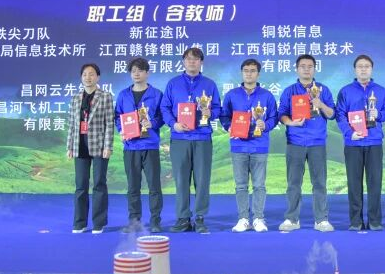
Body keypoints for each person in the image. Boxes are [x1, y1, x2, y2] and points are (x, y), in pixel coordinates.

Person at [159, 47, 221, 233]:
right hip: (180, 138)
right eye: (188, 59)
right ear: (183, 62)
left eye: (195, 59)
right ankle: (183, 218)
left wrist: (210, 113)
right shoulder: (173, 84)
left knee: (202, 180)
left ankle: (200, 217)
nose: (191, 62)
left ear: (201, 62)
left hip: (202, 137)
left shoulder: (209, 84)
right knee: (181, 180)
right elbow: (165, 108)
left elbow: (218, 108)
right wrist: (173, 124)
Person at [277, 54, 336, 232]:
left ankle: (321, 220)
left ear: (315, 69)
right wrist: (291, 123)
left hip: (317, 142)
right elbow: (281, 114)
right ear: (297, 69)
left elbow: (332, 114)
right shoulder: (289, 91)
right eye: (302, 66)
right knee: (293, 183)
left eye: (310, 66)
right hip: (295, 141)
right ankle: (292, 219)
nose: (306, 69)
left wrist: (320, 103)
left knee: (319, 183)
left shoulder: (323, 90)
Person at [219, 59, 279, 233]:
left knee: (259, 185)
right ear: (242, 73)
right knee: (241, 185)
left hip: (260, 146)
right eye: (246, 70)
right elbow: (224, 116)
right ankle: (243, 219)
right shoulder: (232, 95)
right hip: (239, 146)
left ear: (258, 74)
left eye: (253, 70)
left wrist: (265, 125)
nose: (249, 73)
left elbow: (274, 117)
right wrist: (229, 127)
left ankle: (258, 218)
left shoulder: (267, 96)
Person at [336, 54, 385, 231]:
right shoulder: (345, 91)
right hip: (353, 143)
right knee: (354, 184)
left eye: (367, 66)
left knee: (375, 183)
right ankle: (356, 221)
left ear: (372, 69)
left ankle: (374, 221)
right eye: (360, 66)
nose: (363, 69)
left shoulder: (381, 91)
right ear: (355, 70)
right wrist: (349, 133)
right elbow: (340, 115)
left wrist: (379, 115)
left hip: (374, 142)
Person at [114, 57, 165, 233]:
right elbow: (117, 117)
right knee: (133, 187)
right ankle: (134, 221)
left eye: (140, 70)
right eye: (133, 71)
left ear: (147, 73)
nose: (136, 74)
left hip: (150, 145)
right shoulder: (123, 95)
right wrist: (121, 130)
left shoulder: (156, 94)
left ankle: (155, 221)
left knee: (154, 186)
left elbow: (162, 116)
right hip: (130, 146)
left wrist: (153, 123)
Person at [66, 62, 114, 234]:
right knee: (80, 185)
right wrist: (70, 146)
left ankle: (99, 222)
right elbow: (72, 124)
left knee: (99, 184)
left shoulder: (105, 96)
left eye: (92, 74)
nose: (88, 77)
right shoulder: (75, 98)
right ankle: (80, 222)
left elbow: (109, 123)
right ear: (81, 77)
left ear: (98, 77)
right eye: (85, 74)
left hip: (99, 145)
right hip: (80, 145)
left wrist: (108, 146)